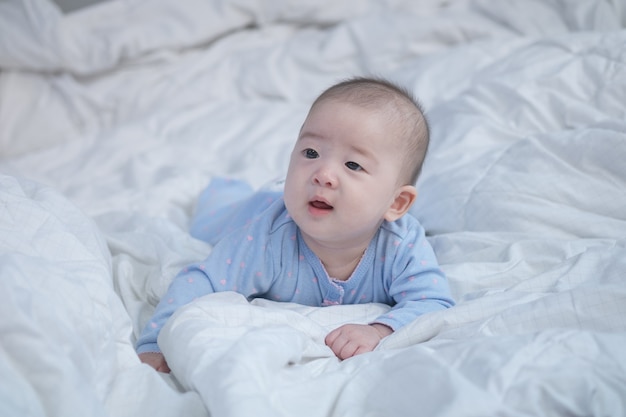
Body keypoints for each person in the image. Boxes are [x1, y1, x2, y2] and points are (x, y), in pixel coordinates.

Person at [136, 76, 455, 373]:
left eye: (353, 164)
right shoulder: (267, 239)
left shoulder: (401, 245)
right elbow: (201, 280)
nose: (323, 173)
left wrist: (381, 329)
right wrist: (155, 342)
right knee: (210, 222)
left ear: (395, 204)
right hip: (250, 211)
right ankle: (223, 188)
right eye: (311, 152)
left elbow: (434, 300)